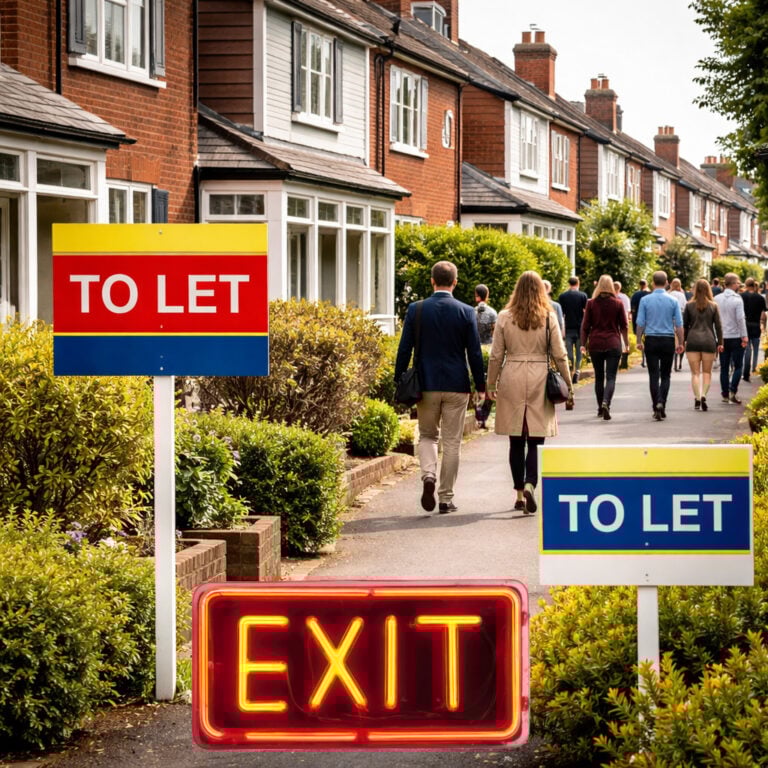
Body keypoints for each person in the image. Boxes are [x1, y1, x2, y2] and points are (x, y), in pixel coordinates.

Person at [395, 261, 485, 514]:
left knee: (427, 435)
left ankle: (428, 477)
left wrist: (399, 378)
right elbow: (475, 353)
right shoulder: (467, 311)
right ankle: (445, 498)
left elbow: (404, 349)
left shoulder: (417, 309)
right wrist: (480, 385)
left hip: (426, 384)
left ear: (432, 280)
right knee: (452, 442)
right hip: (457, 384)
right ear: (455, 282)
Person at [486, 271, 572, 514]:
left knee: (515, 438)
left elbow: (495, 355)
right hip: (539, 377)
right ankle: (530, 484)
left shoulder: (504, 316)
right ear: (541, 291)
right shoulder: (548, 317)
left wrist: (491, 384)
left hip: (512, 374)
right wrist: (568, 382)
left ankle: (518, 495)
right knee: (536, 437)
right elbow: (559, 353)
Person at [635, 270, 684, 421]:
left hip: (651, 340)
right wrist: (681, 342)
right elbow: (679, 325)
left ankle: (655, 403)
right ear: (667, 282)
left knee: (653, 375)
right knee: (666, 375)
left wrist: (638, 340)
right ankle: (662, 402)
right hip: (668, 339)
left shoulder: (645, 300)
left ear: (652, 282)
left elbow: (640, 323)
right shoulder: (673, 301)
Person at [580, 275, 629, 421]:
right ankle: (606, 402)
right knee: (611, 377)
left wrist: (583, 344)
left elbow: (585, 326)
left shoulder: (591, 303)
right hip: (613, 343)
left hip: (596, 343)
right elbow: (624, 326)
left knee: (599, 377)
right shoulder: (618, 303)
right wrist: (626, 343)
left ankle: (600, 408)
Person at [683, 278, 723, 411]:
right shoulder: (713, 306)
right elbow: (718, 327)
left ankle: (697, 397)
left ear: (695, 289)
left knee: (695, 373)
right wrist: (721, 343)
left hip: (693, 340)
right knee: (707, 372)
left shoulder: (689, 305)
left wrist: (682, 341)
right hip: (708, 341)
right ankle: (704, 394)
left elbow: (684, 326)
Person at [714, 272, 748, 404]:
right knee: (738, 366)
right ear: (733, 284)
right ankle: (733, 390)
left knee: (724, 367)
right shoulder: (737, 299)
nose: (739, 285)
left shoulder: (716, 299)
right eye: (738, 283)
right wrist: (744, 336)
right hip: (736, 337)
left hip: (722, 337)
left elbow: (714, 320)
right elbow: (740, 319)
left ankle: (724, 394)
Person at [557, 276, 588, 382]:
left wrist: (562, 329)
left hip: (568, 327)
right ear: (578, 283)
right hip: (580, 328)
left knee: (569, 352)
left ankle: (570, 370)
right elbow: (586, 312)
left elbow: (561, 315)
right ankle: (578, 370)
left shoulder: (562, 296)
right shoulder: (583, 296)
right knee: (580, 351)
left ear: (569, 284)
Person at [740, 277, 766, 381]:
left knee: (747, 350)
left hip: (745, 325)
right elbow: (763, 314)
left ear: (746, 285)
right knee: (755, 350)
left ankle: (746, 373)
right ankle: (754, 369)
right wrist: (763, 325)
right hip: (756, 325)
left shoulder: (741, 296)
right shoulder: (760, 298)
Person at [668, 278, 689, 371]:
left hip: (670, 319)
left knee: (672, 339)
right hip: (680, 317)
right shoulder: (681, 295)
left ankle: (673, 360)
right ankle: (680, 361)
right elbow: (685, 307)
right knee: (681, 339)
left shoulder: (668, 294)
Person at [630, 279, 651, 367]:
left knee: (641, 338)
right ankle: (647, 357)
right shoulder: (649, 294)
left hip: (638, 319)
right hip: (648, 319)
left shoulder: (635, 295)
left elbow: (633, 309)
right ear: (646, 284)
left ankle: (643, 358)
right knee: (648, 339)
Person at [613, 281, 632, 369]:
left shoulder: (609, 297)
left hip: (613, 321)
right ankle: (624, 360)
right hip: (623, 320)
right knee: (623, 338)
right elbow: (628, 311)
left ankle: (617, 358)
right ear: (620, 288)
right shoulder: (624, 297)